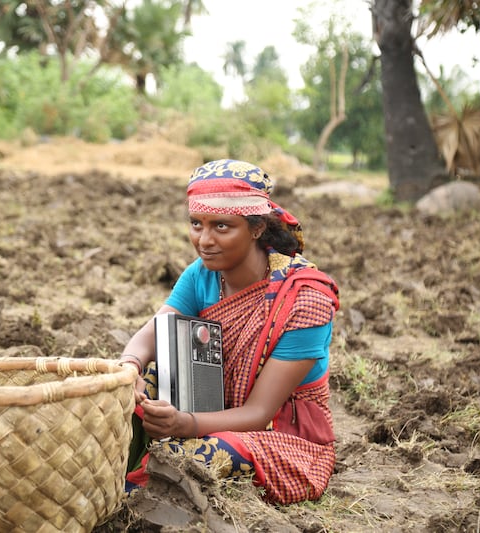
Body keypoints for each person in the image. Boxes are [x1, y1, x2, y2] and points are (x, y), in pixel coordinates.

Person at [118, 159, 340, 505]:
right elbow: (153, 333)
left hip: (279, 437)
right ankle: (109, 475)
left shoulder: (304, 299)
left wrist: (183, 424)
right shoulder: (202, 274)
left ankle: (129, 497)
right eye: (196, 224)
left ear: (256, 229)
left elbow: (259, 413)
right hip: (208, 403)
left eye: (222, 226)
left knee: (200, 457)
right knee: (128, 390)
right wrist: (128, 368)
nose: (204, 240)